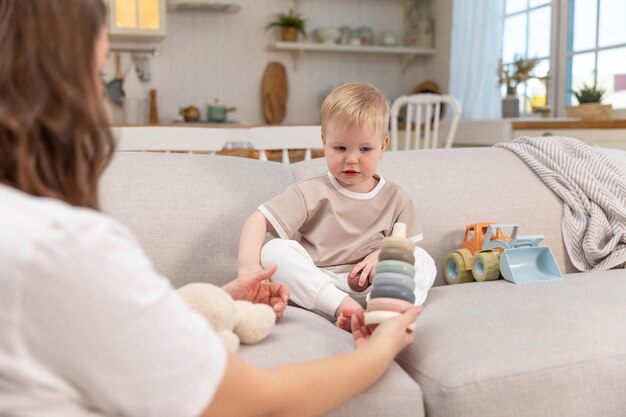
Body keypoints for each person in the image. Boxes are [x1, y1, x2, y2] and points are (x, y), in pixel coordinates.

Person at [0, 1, 421, 416]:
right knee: (278, 251)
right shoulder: (64, 246)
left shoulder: (27, 232)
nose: (100, 97)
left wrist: (221, 298)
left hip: (363, 279)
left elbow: (105, 326)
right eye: (96, 73)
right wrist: (381, 351)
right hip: (334, 292)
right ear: (53, 88)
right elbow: (261, 401)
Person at [238, 82, 437, 330]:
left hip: (376, 286)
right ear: (325, 142)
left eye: (365, 149)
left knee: (423, 258)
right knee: (273, 251)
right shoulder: (311, 191)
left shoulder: (396, 198)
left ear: (383, 146)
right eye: (340, 148)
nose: (351, 159)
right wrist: (248, 268)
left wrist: (382, 255)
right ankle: (345, 308)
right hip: (321, 285)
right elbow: (257, 220)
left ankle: (386, 312)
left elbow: (406, 247)